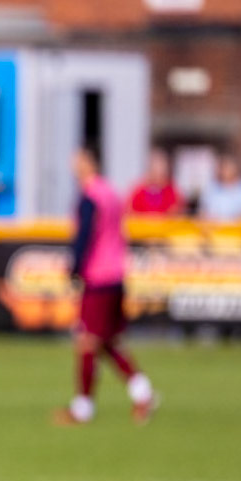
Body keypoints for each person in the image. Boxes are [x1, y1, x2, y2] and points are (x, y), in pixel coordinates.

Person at [54, 148, 156, 426]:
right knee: (107, 341)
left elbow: (85, 234)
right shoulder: (111, 192)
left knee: (87, 341)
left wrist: (74, 266)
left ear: (88, 163)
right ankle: (143, 393)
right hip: (117, 274)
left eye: (78, 161)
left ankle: (82, 408)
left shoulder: (90, 196)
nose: (73, 166)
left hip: (99, 275)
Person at [198, 156, 241, 222]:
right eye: (221, 168)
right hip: (214, 230)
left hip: (240, 230)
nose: (222, 171)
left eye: (226, 168)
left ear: (236, 169)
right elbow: (202, 212)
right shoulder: (211, 188)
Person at [128, 148, 183, 216]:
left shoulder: (172, 191)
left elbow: (176, 212)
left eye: (161, 169)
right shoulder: (139, 190)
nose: (158, 172)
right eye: (155, 169)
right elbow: (131, 211)